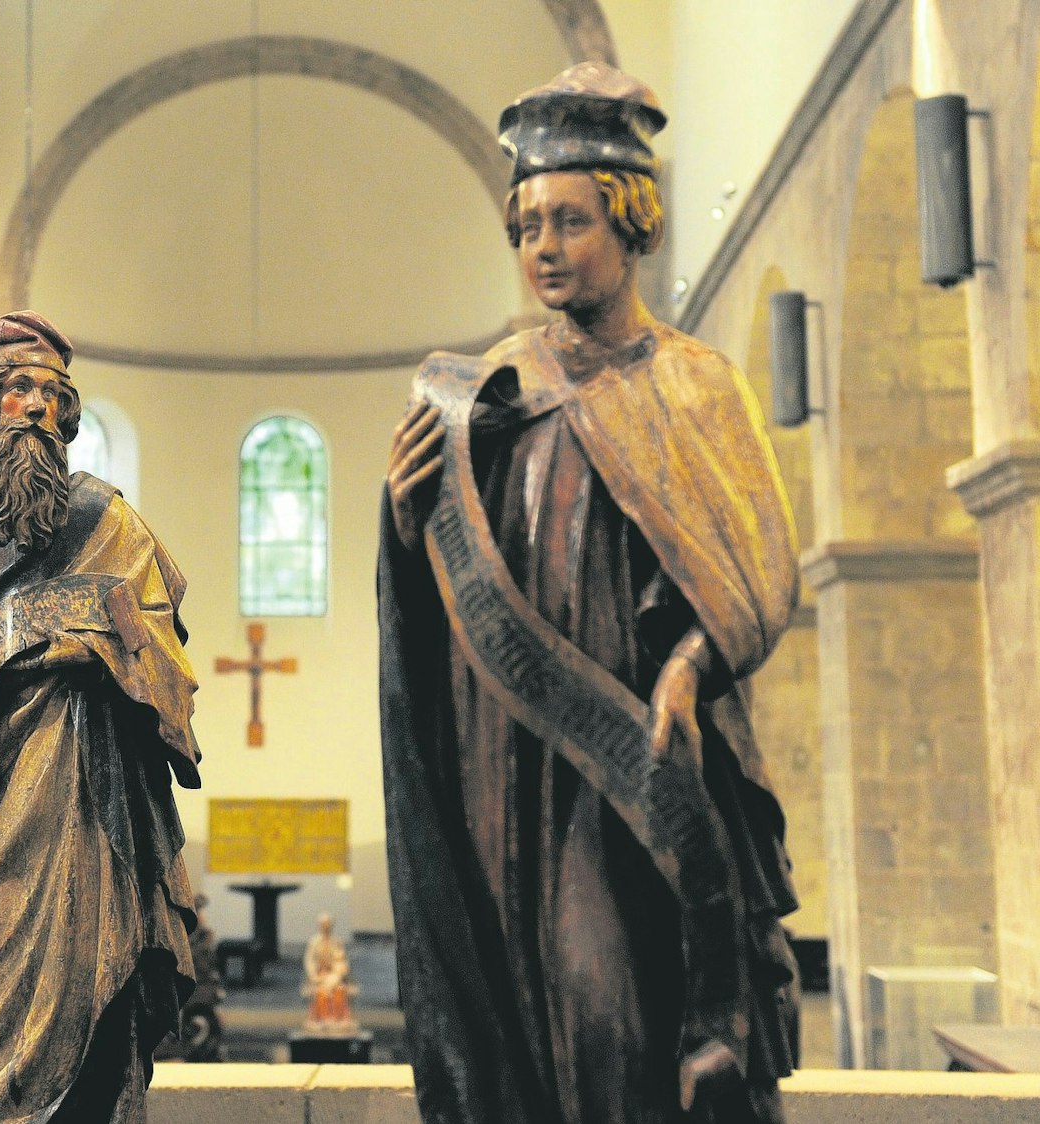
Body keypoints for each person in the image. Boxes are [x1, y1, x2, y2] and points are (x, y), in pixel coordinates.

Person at [378, 62, 801, 1124]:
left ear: (632, 221)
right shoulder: (491, 392)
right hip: (506, 757)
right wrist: (400, 515)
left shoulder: (694, 382)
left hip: (634, 747)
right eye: (526, 227)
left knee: (610, 1005)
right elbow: (436, 576)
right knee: (521, 1011)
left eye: (569, 221)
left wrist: (686, 667)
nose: (543, 249)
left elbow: (751, 569)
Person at [0, 310, 202, 1124]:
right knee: (3, 975)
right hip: (1, 798)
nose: (37, 405)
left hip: (90, 794)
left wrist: (105, 653)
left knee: (92, 967)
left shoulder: (109, 521)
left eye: (50, 392)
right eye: (17, 390)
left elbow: (160, 638)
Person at [300, 913, 358, 1035]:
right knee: (321, 992)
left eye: (327, 925)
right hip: (319, 975)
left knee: (339, 990)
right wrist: (313, 976)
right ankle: (323, 1019)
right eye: (323, 925)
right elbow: (309, 961)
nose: (325, 927)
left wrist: (339, 971)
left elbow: (342, 959)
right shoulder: (314, 942)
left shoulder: (336, 941)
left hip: (334, 975)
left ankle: (338, 1018)